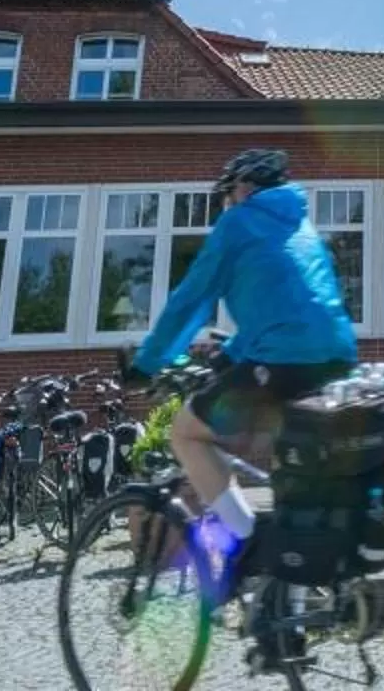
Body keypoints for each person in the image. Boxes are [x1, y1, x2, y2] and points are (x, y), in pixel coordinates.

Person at [127, 147, 357, 594]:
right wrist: (231, 353)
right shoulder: (303, 227)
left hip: (282, 362)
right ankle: (285, 598)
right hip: (337, 359)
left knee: (187, 433)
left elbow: (191, 298)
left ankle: (246, 542)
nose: (227, 202)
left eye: (228, 193)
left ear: (246, 188)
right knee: (292, 466)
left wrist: (147, 362)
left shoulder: (238, 222)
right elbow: (287, 310)